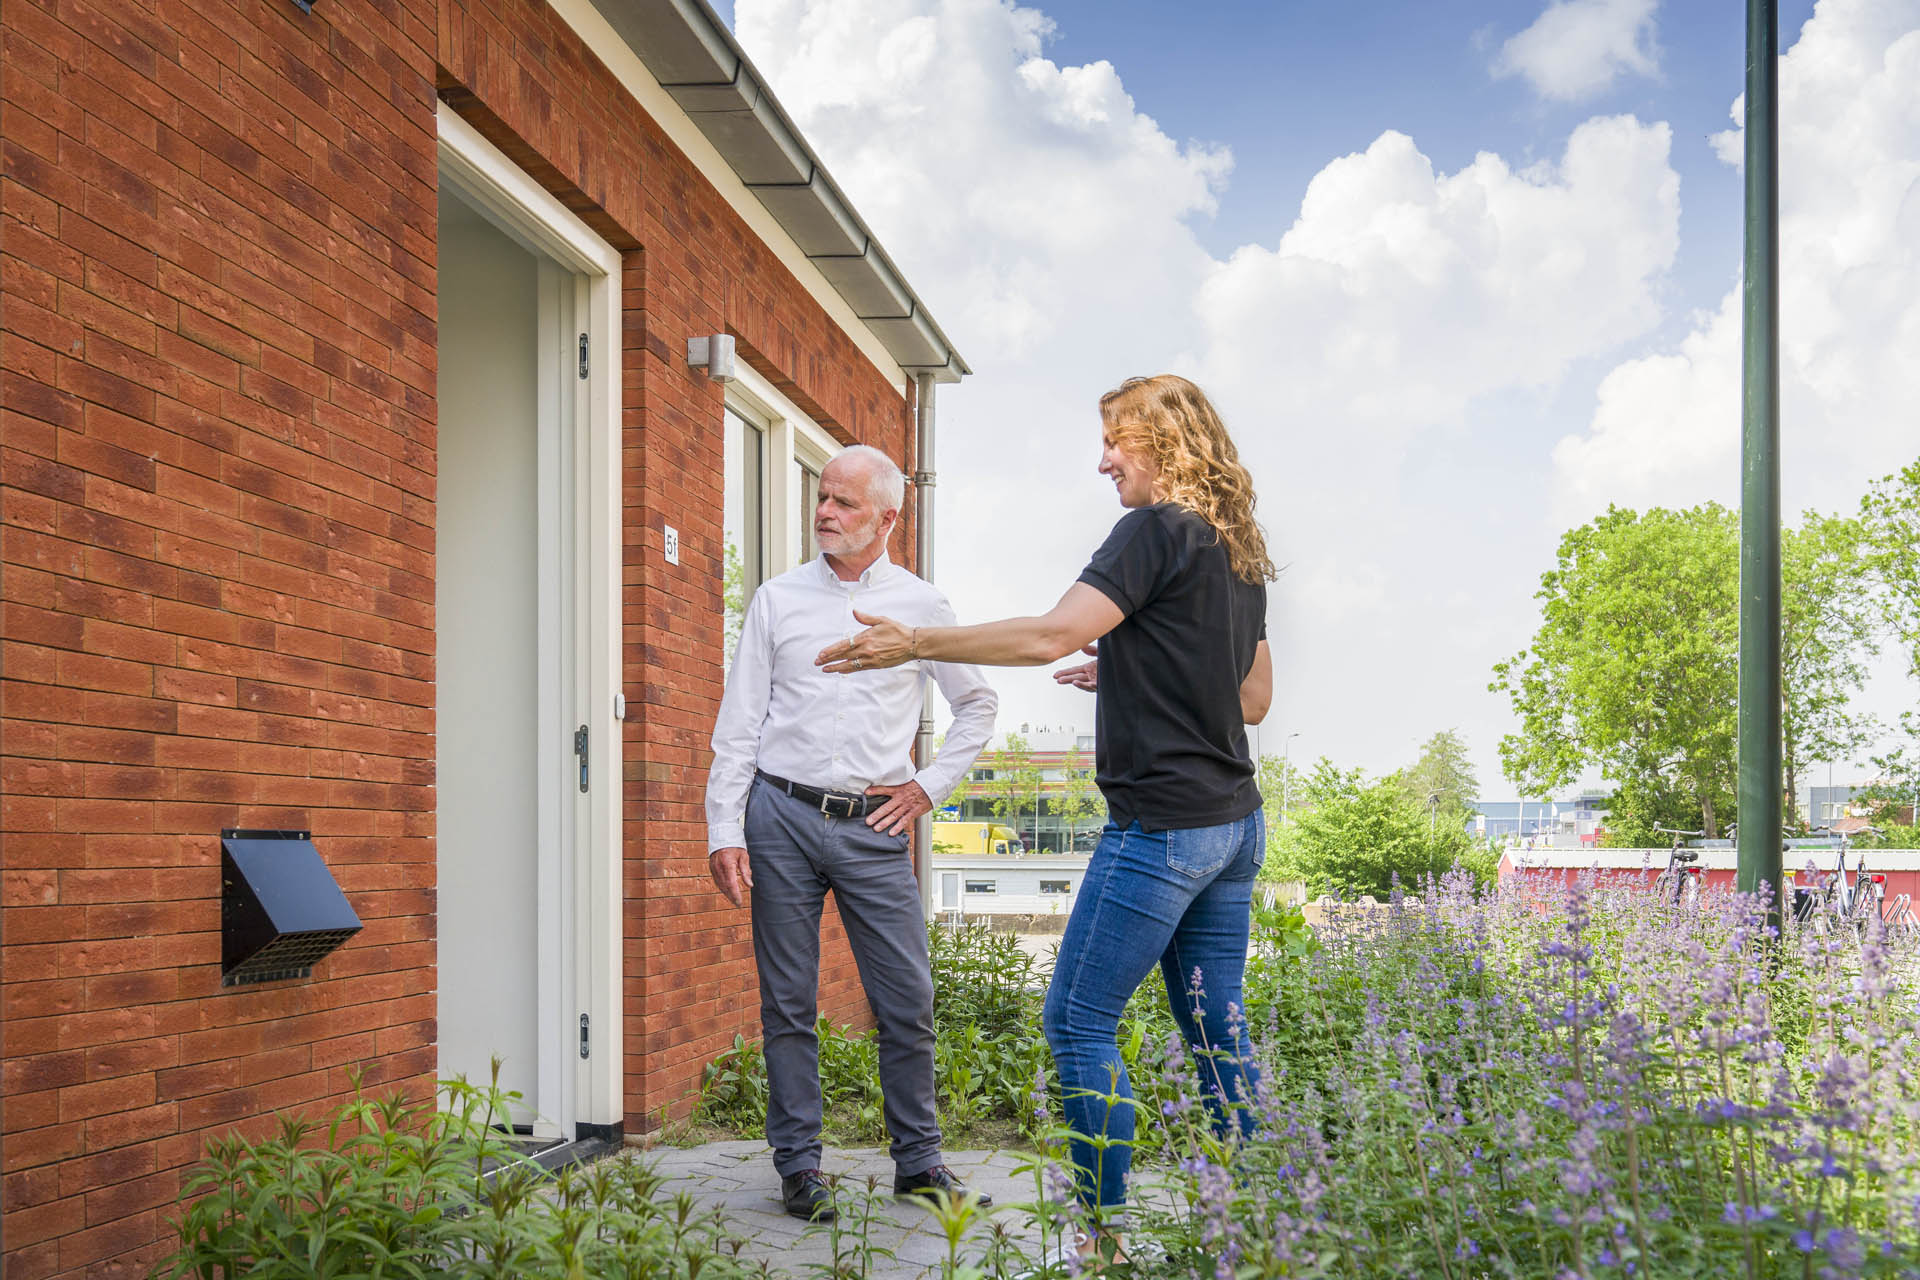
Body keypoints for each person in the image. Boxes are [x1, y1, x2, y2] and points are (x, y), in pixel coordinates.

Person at [817, 375, 1274, 1262]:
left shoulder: (1153, 530)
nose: (1104, 462)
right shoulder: (1237, 547)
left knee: (1076, 1022)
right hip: (1234, 827)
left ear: (1168, 444)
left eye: (1118, 442)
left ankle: (1096, 1242)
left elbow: (1045, 636)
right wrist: (1140, 668)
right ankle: (1261, 1224)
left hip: (1166, 828)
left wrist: (915, 641)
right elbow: (1251, 699)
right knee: (1218, 1033)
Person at [705, 444, 999, 1223]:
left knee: (906, 1000)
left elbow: (979, 705)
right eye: (822, 497)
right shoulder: (776, 600)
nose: (824, 512)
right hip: (780, 816)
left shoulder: (922, 606)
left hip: (874, 825)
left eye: (844, 503)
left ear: (888, 518)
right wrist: (722, 828)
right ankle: (799, 1167)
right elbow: (739, 725)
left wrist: (927, 787)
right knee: (788, 1003)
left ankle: (918, 1162)